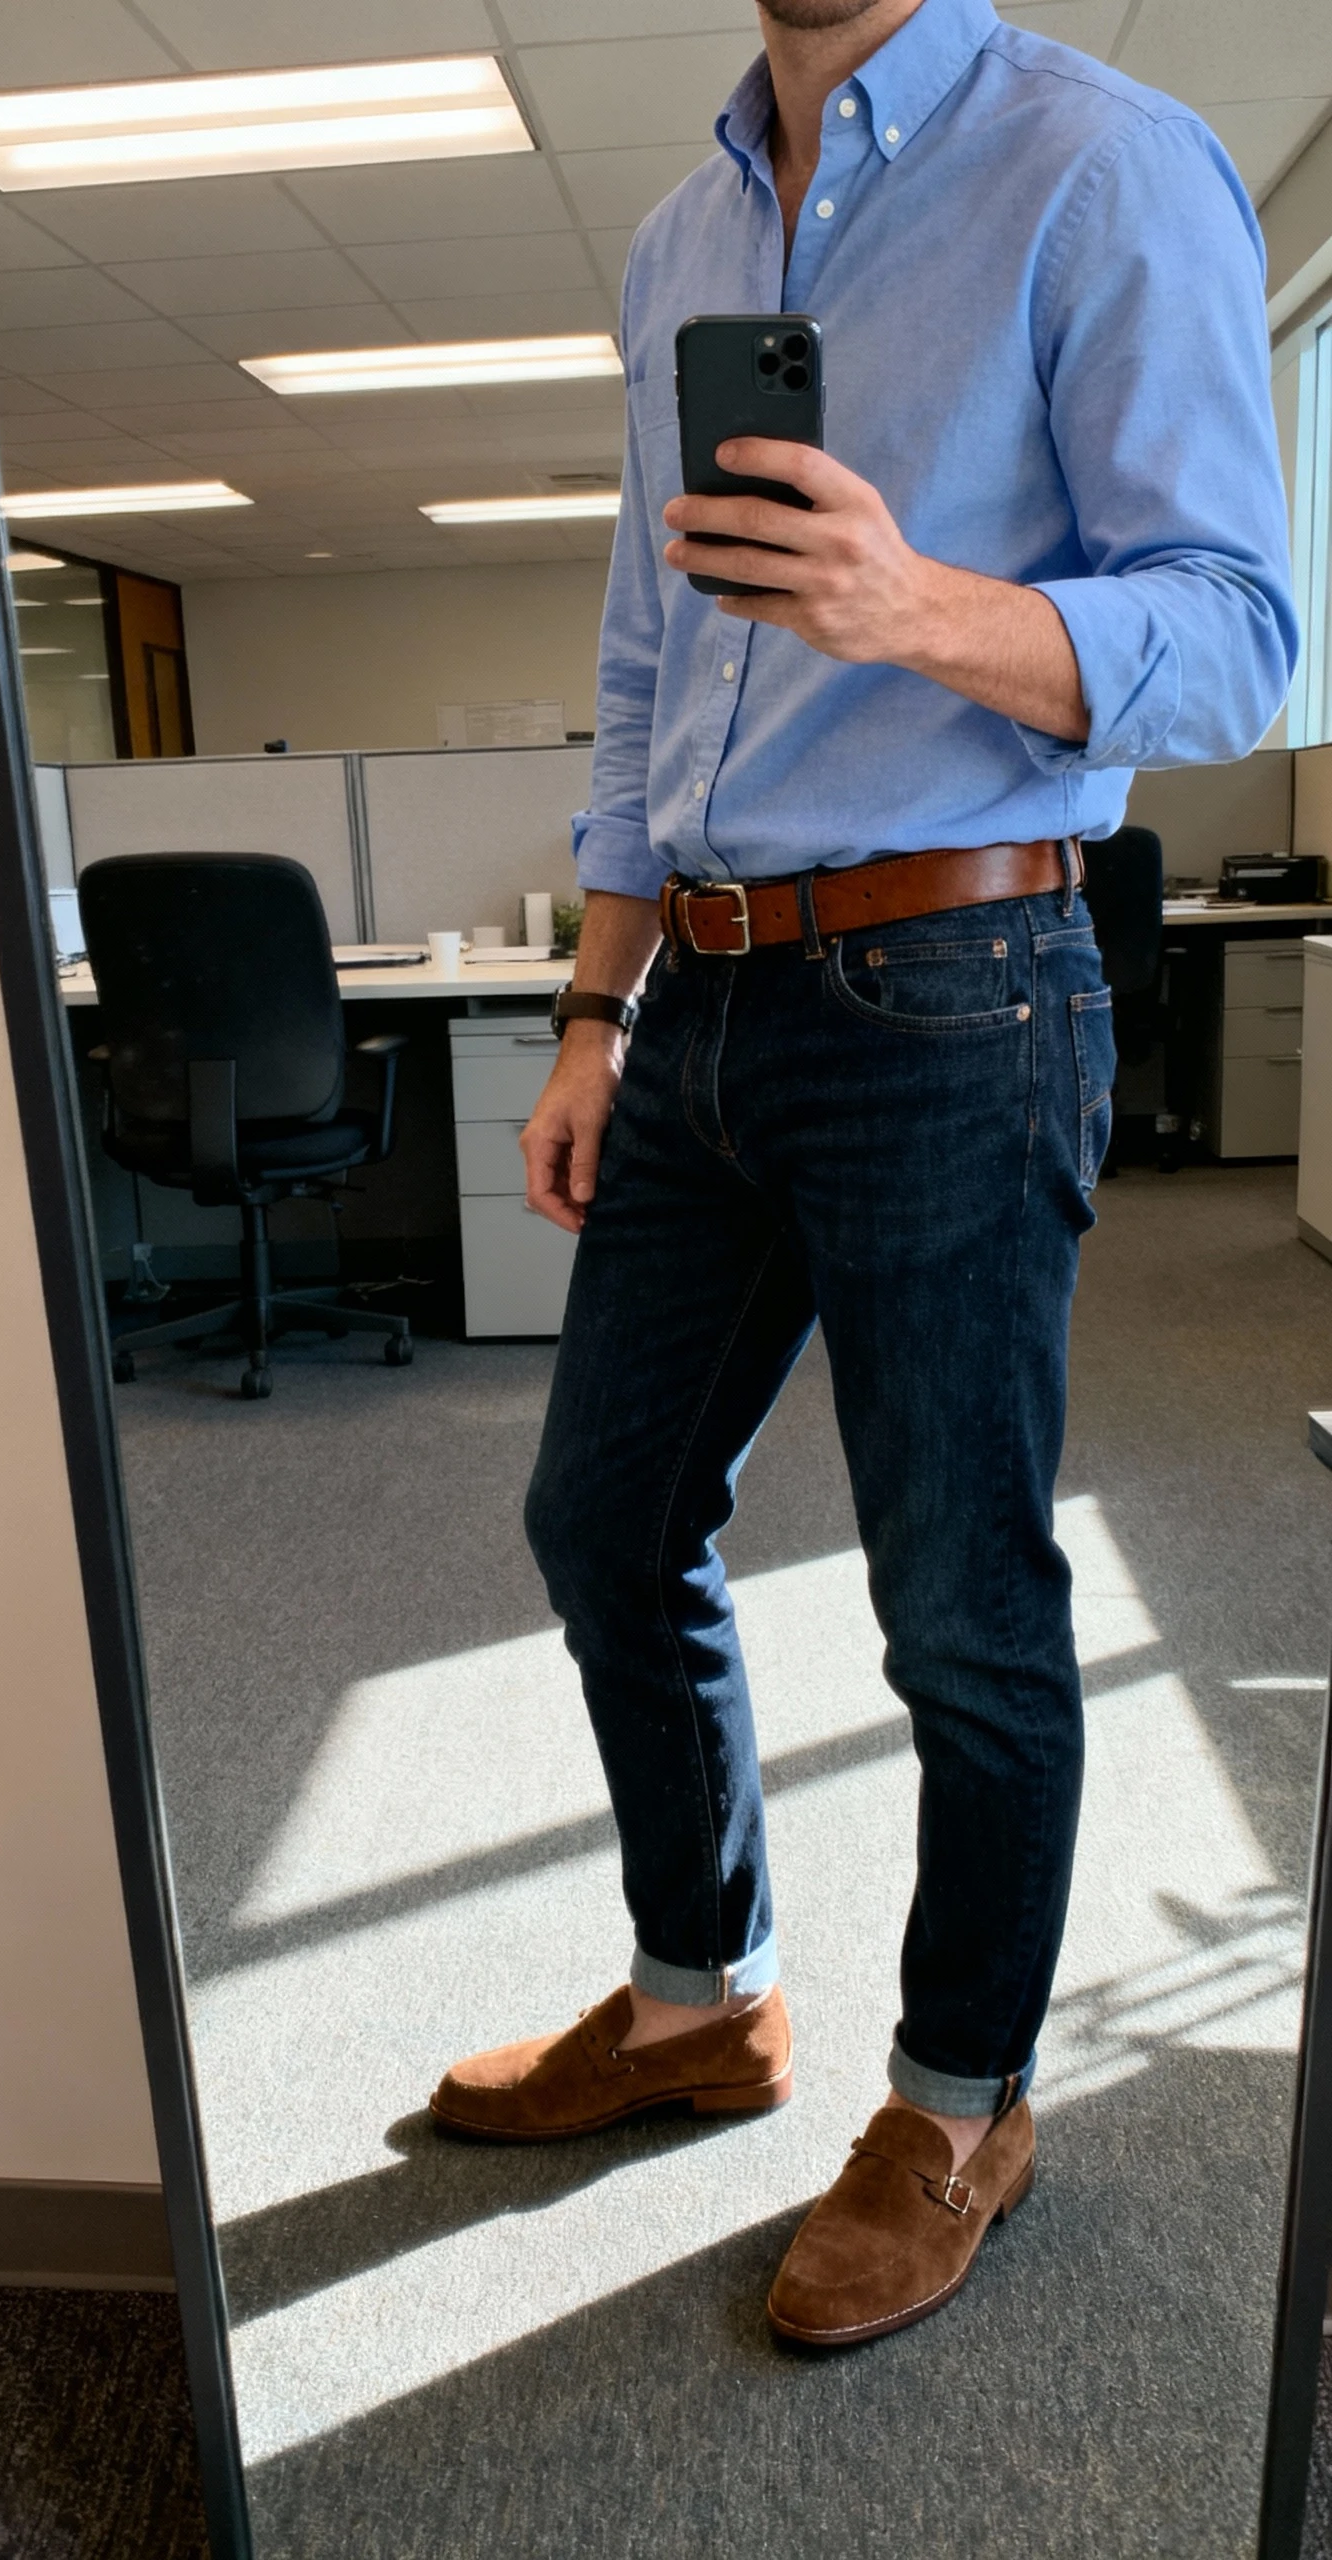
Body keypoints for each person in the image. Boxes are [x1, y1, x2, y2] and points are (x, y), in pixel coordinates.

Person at [431, 0, 1296, 2347]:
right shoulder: (681, 236)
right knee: (601, 1512)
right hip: (697, 995)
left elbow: (1241, 638)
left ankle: (961, 2095)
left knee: (961, 1604)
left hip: (962, 979)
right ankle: (702, 1990)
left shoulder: (1102, 162)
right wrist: (600, 1002)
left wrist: (918, 604)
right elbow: (645, 658)